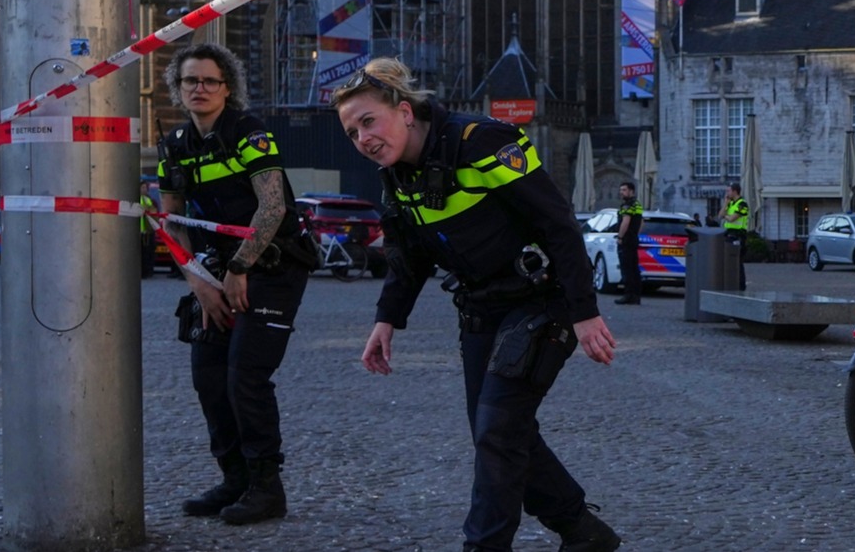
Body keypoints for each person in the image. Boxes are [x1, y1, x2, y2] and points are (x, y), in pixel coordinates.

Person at [333, 58, 621, 552]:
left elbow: (559, 225)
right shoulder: (396, 176)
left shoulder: (484, 141)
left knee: (497, 431)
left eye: (368, 122)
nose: (363, 139)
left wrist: (584, 312)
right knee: (500, 435)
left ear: (404, 111)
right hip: (480, 310)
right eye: (352, 132)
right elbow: (409, 259)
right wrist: (386, 322)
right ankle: (581, 530)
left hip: (541, 300)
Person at [157, 42, 313, 526]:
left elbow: (273, 208)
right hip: (217, 275)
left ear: (228, 88)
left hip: (272, 265)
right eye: (190, 81)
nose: (199, 88)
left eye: (210, 81)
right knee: (208, 375)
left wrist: (239, 269)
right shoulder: (176, 144)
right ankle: (235, 478)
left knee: (245, 376)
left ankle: (268, 488)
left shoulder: (249, 132)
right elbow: (171, 223)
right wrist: (201, 283)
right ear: (178, 89)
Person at [614, 181, 644, 305]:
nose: (621, 192)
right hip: (633, 239)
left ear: (631, 191)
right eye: (621, 190)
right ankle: (636, 295)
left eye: (624, 190)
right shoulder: (637, 204)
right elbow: (642, 222)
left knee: (626, 268)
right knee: (634, 268)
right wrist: (635, 234)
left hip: (626, 240)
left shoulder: (627, 206)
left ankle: (628, 295)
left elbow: (625, 222)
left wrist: (620, 237)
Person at [721, 182, 750, 288]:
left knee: (738, 261)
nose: (727, 193)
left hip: (738, 235)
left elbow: (733, 218)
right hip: (728, 234)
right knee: (729, 260)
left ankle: (741, 285)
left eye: (729, 191)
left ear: (735, 191)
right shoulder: (730, 203)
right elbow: (720, 215)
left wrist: (726, 215)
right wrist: (725, 203)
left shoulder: (742, 204)